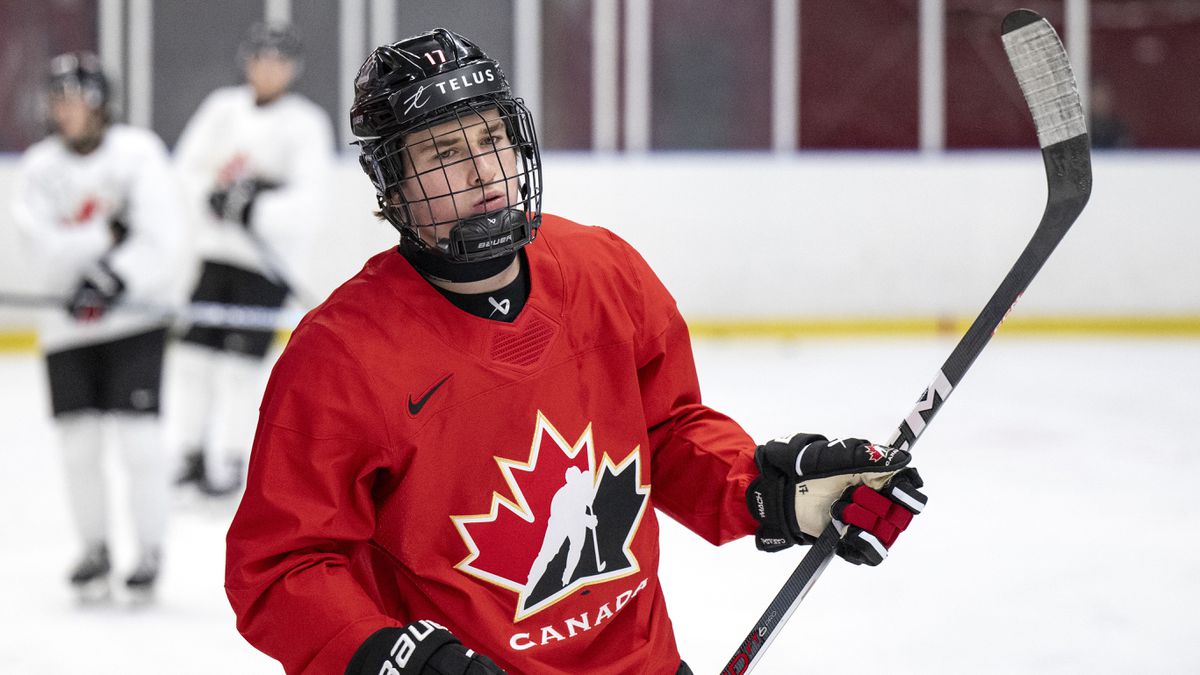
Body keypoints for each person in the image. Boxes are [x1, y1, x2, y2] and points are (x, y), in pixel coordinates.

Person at [225, 29, 928, 675]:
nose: (483, 172)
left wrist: (768, 490)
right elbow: (281, 564)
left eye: (493, 139)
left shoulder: (602, 269)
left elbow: (669, 431)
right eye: (444, 154)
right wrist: (390, 655)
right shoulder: (339, 355)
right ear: (391, 186)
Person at [11, 52, 186, 600]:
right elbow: (38, 249)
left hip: (132, 321)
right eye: (58, 99)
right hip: (65, 327)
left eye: (77, 99)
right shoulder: (39, 167)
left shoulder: (138, 154)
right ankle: (94, 548)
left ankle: (150, 550)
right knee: (78, 445)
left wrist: (113, 280)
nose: (66, 110)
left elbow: (161, 237)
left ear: (101, 104)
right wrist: (106, 238)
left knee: (139, 442)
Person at [169, 21, 335, 497]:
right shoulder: (222, 108)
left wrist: (254, 207)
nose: (268, 70)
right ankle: (188, 451)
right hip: (217, 255)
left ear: (292, 69)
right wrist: (213, 197)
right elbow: (187, 167)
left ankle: (232, 456)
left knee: (242, 368)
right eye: (261, 59)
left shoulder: (305, 123)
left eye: (278, 62)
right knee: (195, 357)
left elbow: (310, 204)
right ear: (248, 61)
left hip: (266, 268)